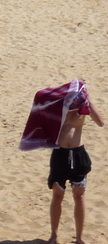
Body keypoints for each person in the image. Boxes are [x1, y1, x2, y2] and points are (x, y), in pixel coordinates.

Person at [48, 84, 103, 244]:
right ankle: (54, 235)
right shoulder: (61, 106)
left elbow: (100, 122)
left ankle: (79, 237)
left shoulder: (85, 107)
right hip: (60, 154)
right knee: (58, 195)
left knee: (79, 196)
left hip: (79, 154)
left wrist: (89, 101)